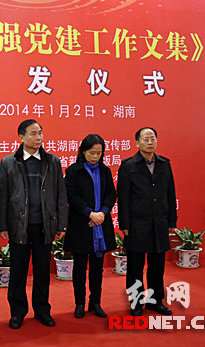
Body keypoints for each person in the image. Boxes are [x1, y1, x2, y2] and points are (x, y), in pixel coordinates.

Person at [0, 119, 67, 329]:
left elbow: (60, 194)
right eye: (33, 133)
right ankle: (17, 313)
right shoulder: (8, 162)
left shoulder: (52, 161)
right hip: (19, 225)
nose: (38, 137)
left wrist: (61, 224)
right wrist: (2, 225)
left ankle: (42, 310)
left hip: (44, 224)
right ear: (21, 137)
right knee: (18, 271)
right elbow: (2, 196)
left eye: (40, 133)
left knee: (42, 271)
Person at [118, 127, 177, 316]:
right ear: (137, 143)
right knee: (135, 267)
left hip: (159, 223)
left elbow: (170, 193)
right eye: (145, 139)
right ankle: (136, 302)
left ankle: (155, 301)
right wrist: (124, 224)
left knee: (157, 266)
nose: (150, 142)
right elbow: (123, 198)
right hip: (137, 224)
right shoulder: (128, 166)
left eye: (153, 138)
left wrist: (171, 220)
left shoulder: (164, 164)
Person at [63, 134, 116, 319]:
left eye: (99, 153)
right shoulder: (73, 171)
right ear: (83, 151)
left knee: (97, 268)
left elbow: (111, 194)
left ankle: (96, 303)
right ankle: (79, 303)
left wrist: (102, 213)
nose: (95, 157)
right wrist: (90, 213)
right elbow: (71, 196)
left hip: (100, 223)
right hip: (81, 224)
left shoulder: (105, 171)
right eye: (92, 153)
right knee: (79, 267)